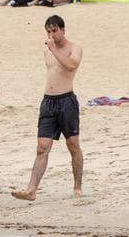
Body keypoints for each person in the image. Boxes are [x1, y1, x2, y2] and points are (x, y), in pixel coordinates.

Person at [13, 15, 83, 201]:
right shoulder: (47, 52)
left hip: (66, 101)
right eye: (49, 31)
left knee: (73, 145)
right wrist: (51, 49)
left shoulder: (74, 48)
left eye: (54, 31)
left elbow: (70, 65)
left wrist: (54, 49)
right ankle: (31, 189)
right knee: (42, 147)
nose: (52, 35)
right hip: (48, 102)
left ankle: (77, 186)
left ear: (62, 30)